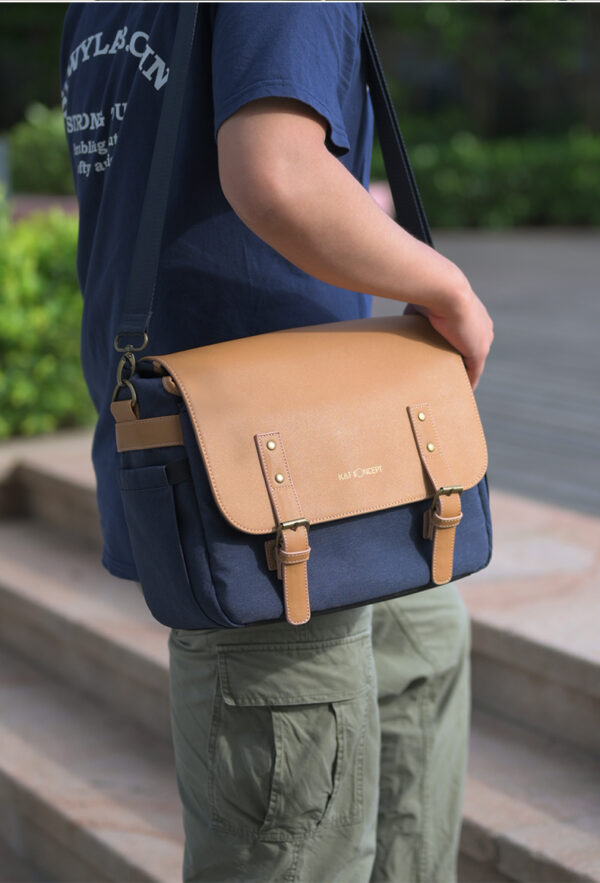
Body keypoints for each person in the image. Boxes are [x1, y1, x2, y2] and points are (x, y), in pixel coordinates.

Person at [60, 4, 493, 882]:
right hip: (259, 490)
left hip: (332, 467)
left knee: (424, 648)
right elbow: (276, 172)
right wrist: (446, 286)